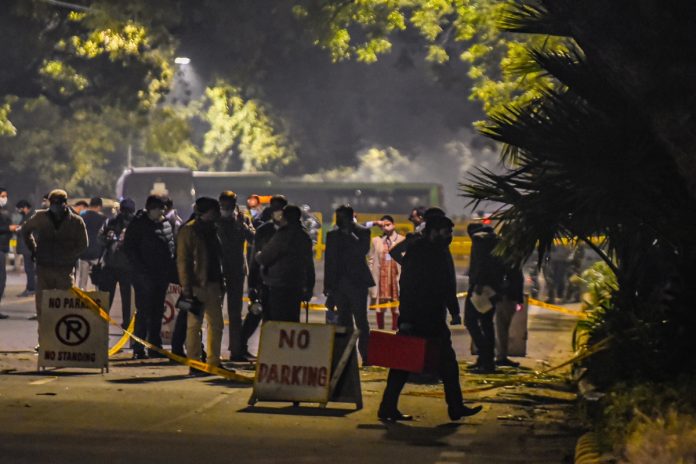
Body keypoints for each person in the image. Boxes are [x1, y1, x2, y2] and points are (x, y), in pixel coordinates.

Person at [378, 216, 482, 422]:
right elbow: (408, 285)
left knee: (445, 364)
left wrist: (454, 311)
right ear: (433, 231)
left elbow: (447, 284)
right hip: (417, 316)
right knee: (405, 363)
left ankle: (454, 406)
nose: (449, 236)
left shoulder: (440, 251)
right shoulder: (418, 250)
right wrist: (406, 319)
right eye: (446, 232)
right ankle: (389, 407)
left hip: (433, 316)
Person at [21, 189, 88, 331]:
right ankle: (47, 336)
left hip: (62, 269)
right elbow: (26, 231)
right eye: (54, 202)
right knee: (47, 304)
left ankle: (56, 335)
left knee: (63, 304)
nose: (56, 206)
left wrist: (69, 256)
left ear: (65, 203)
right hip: (47, 267)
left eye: (59, 202)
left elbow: (83, 244)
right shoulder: (42, 217)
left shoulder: (75, 221)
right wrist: (34, 249)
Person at [123, 195, 177, 359]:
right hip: (143, 277)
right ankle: (138, 347)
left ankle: (155, 346)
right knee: (143, 312)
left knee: (157, 311)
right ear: (150, 209)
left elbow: (171, 247)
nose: (161, 212)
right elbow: (130, 250)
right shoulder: (138, 224)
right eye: (158, 209)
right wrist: (141, 271)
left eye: (162, 209)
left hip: (161, 275)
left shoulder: (165, 223)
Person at [177, 197, 226, 375]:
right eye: (215, 210)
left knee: (216, 324)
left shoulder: (213, 229)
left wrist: (221, 281)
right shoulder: (189, 231)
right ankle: (195, 363)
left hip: (213, 283)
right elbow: (183, 261)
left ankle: (214, 362)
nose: (218, 213)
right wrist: (186, 287)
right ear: (206, 212)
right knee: (194, 326)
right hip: (197, 285)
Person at [324, 205, 375, 363]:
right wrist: (328, 286)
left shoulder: (362, 232)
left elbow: (362, 251)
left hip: (357, 283)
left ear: (350, 217)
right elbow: (329, 261)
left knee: (361, 321)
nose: (339, 220)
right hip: (339, 284)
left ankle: (366, 355)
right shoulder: (332, 235)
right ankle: (346, 356)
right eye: (337, 217)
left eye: (342, 217)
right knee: (343, 321)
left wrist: (349, 234)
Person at [255, 205, 315, 322]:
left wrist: (258, 255)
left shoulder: (282, 235)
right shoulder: (304, 236)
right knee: (292, 321)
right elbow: (309, 265)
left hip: (279, 285)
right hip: (297, 285)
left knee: (277, 321)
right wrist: (309, 287)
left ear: (285, 217)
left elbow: (265, 257)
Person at [217, 191, 255, 361]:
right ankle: (214, 350)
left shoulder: (242, 218)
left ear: (234, 205)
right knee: (215, 312)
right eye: (223, 205)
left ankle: (236, 350)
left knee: (235, 313)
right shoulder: (214, 218)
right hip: (218, 270)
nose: (225, 208)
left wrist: (243, 226)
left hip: (237, 270)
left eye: (228, 205)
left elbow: (253, 239)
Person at [245, 195, 288, 343]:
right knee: (259, 313)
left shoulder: (291, 230)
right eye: (274, 208)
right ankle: (241, 346)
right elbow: (255, 258)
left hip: (283, 281)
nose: (277, 211)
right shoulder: (264, 229)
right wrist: (252, 284)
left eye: (280, 208)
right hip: (264, 280)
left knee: (280, 318)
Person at [464, 223, 505, 374]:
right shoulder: (497, 240)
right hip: (494, 289)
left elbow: (481, 263)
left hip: (480, 288)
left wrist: (478, 284)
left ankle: (485, 357)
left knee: (470, 321)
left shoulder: (479, 240)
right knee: (487, 324)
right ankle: (487, 361)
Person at [97, 198, 136, 328]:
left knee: (125, 298)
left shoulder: (134, 224)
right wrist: (109, 239)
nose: (126, 214)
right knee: (110, 297)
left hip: (123, 265)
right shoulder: (111, 222)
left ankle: (125, 322)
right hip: (114, 265)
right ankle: (104, 321)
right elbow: (100, 238)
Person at [367, 215, 405, 330]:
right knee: (380, 306)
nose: (385, 227)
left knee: (396, 307)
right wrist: (371, 273)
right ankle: (380, 330)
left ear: (394, 225)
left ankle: (395, 329)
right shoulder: (376, 241)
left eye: (388, 224)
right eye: (383, 226)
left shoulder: (402, 240)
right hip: (381, 278)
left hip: (396, 277)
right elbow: (371, 259)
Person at [495, 264, 524, 367]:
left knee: (501, 329)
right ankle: (501, 355)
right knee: (503, 329)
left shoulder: (509, 264)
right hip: (511, 298)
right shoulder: (516, 264)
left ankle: (501, 356)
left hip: (506, 298)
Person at [77, 197, 106, 290]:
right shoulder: (102, 219)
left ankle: (81, 295)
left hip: (84, 252)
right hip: (97, 253)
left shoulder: (82, 217)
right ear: (99, 207)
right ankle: (98, 296)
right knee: (98, 280)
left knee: (82, 281)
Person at [0, 188, 19, 319]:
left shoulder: (3, 212)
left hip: (3, 248)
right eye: (2, 196)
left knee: (2, 280)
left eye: (5, 196)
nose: (4, 199)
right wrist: (8, 228)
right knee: (1, 280)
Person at [15, 200, 36, 298]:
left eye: (20, 209)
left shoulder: (31, 217)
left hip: (28, 248)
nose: (19, 211)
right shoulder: (27, 217)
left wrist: (18, 229)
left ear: (25, 208)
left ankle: (31, 289)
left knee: (29, 269)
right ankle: (31, 288)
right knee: (29, 269)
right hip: (27, 247)